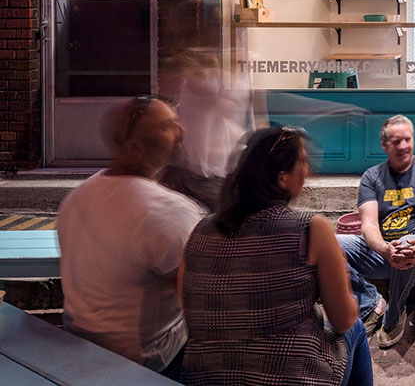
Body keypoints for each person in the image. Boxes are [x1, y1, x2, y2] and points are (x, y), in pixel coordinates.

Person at [180, 127, 372, 386]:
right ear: (282, 178)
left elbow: (188, 305)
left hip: (206, 376)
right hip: (291, 375)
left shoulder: (202, 230)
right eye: (303, 162)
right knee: (356, 327)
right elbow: (343, 319)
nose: (308, 171)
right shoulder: (310, 228)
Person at [57, 95, 205, 378]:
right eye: (168, 125)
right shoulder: (167, 209)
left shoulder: (78, 195)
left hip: (79, 339)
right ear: (133, 148)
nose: (182, 130)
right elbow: (199, 293)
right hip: (145, 359)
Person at [338, 115, 415, 348]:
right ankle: (371, 303)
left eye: (407, 140)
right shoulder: (372, 177)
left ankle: (394, 315)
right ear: (384, 146)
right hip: (383, 252)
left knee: (408, 242)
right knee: (328, 243)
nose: (403, 146)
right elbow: (368, 224)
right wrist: (385, 249)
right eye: (396, 141)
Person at [159, 48, 254, 212]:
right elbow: (226, 107)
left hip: (215, 173)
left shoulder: (216, 85)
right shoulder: (201, 83)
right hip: (202, 176)